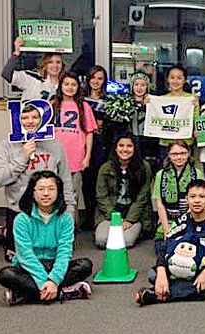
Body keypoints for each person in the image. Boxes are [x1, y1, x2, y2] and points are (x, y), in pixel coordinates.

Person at [0, 171, 93, 306]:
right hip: (29, 268)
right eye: (41, 189)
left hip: (55, 264)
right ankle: (63, 292)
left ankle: (25, 294)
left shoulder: (65, 219)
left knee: (85, 265)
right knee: (6, 274)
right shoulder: (21, 220)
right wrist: (45, 282)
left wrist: (53, 280)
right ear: (32, 192)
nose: (46, 193)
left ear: (58, 192)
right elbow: (25, 255)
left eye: (51, 189)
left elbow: (64, 252)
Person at [0, 104, 75, 262]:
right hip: (19, 212)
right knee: (17, 263)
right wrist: (23, 156)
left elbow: (65, 180)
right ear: (17, 119)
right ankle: (4, 232)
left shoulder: (55, 145)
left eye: (35, 117)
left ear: (43, 119)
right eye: (25, 117)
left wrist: (70, 212)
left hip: (50, 213)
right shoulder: (7, 145)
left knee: (54, 259)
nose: (30, 121)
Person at [136, 179, 205, 306]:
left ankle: (158, 295)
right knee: (153, 274)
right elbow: (164, 246)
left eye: (202, 196)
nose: (197, 200)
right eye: (192, 196)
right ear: (187, 199)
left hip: (202, 269)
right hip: (177, 268)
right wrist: (162, 271)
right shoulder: (182, 221)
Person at [51, 72, 98, 228]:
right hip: (53, 157)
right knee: (52, 193)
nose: (70, 88)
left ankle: (70, 228)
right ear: (60, 86)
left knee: (72, 195)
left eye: (73, 84)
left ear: (78, 87)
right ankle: (53, 227)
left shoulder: (83, 106)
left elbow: (89, 132)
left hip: (75, 158)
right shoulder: (52, 105)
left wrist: (87, 157)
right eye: (66, 84)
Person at [95, 134, 152, 248]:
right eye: (121, 146)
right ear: (115, 148)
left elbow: (142, 197)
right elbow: (101, 196)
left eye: (129, 146)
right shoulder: (105, 168)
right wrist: (114, 218)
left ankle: (138, 230)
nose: (125, 149)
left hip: (134, 214)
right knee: (101, 241)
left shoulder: (144, 167)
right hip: (110, 213)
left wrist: (130, 220)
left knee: (126, 242)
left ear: (134, 148)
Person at [152, 140, 204, 254]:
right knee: (163, 248)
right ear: (169, 155)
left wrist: (183, 224)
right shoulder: (161, 174)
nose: (179, 157)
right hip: (168, 220)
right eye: (174, 154)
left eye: (183, 153)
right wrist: (167, 230)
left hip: (191, 219)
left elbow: (200, 201)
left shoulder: (197, 173)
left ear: (189, 153)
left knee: (191, 248)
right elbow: (159, 203)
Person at [82, 65, 109, 230]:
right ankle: (89, 214)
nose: (96, 81)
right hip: (83, 144)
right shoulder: (80, 98)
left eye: (100, 78)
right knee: (87, 182)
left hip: (103, 145)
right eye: (93, 78)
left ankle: (101, 216)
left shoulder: (110, 101)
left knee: (101, 181)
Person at [1, 37, 63, 101]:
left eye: (58, 62)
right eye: (50, 62)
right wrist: (17, 53)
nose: (55, 65)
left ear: (62, 65)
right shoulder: (31, 79)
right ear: (45, 65)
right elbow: (7, 74)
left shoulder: (66, 84)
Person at [158, 65, 200, 158]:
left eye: (179, 78)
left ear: (185, 80)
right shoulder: (160, 100)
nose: (175, 81)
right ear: (167, 79)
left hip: (186, 143)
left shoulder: (192, 99)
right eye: (172, 77)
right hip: (166, 144)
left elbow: (196, 120)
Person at [128, 72, 160, 172]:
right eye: (136, 84)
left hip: (149, 142)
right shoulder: (125, 102)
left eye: (143, 85)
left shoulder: (154, 102)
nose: (139, 88)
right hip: (131, 139)